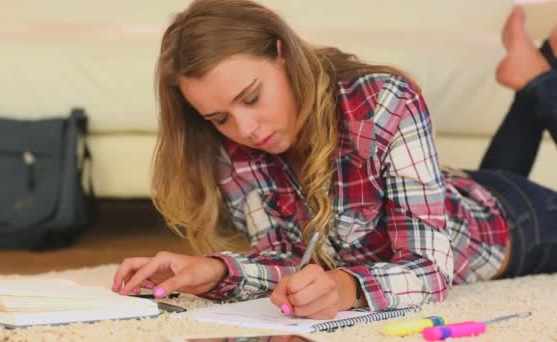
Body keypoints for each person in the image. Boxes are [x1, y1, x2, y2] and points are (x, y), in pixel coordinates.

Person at [112, 0, 557, 320]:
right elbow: (286, 259)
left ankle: (538, 79)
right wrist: (214, 270)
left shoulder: (383, 100)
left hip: (513, 223)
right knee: (495, 173)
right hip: (455, 192)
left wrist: (349, 287)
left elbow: (429, 270)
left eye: (251, 97)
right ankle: (536, 73)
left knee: (509, 186)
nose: (245, 128)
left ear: (283, 55)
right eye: (220, 117)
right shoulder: (232, 149)